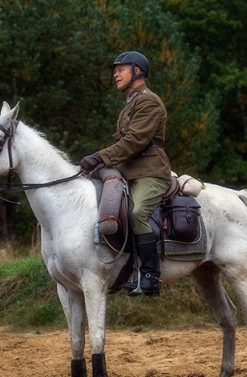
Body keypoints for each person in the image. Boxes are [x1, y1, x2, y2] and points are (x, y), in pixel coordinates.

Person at [79, 51, 171, 297]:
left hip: (149, 172)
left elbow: (135, 141)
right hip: (128, 172)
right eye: (115, 70)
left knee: (137, 213)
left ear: (137, 71)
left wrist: (99, 156)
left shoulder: (149, 101)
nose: (115, 74)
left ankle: (150, 276)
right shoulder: (131, 103)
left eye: (121, 69)